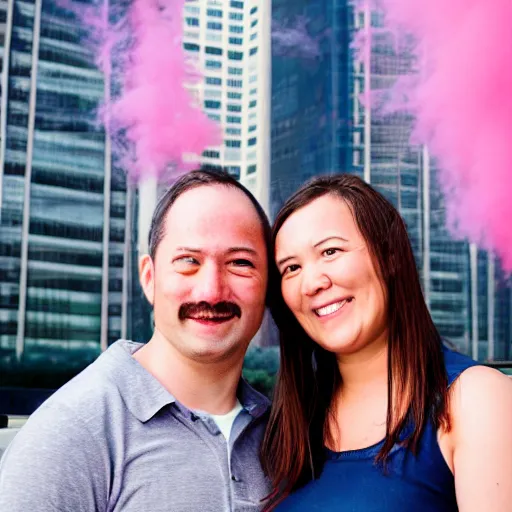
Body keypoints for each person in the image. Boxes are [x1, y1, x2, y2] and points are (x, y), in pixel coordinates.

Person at [0, 169, 274, 511]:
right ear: (149, 278)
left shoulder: (281, 437)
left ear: (267, 286)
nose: (211, 290)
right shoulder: (72, 433)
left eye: (239, 263)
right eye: (188, 261)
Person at [261, 174, 512, 511]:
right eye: (291, 268)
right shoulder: (288, 423)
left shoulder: (475, 398)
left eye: (330, 251)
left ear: (389, 255)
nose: (312, 283)